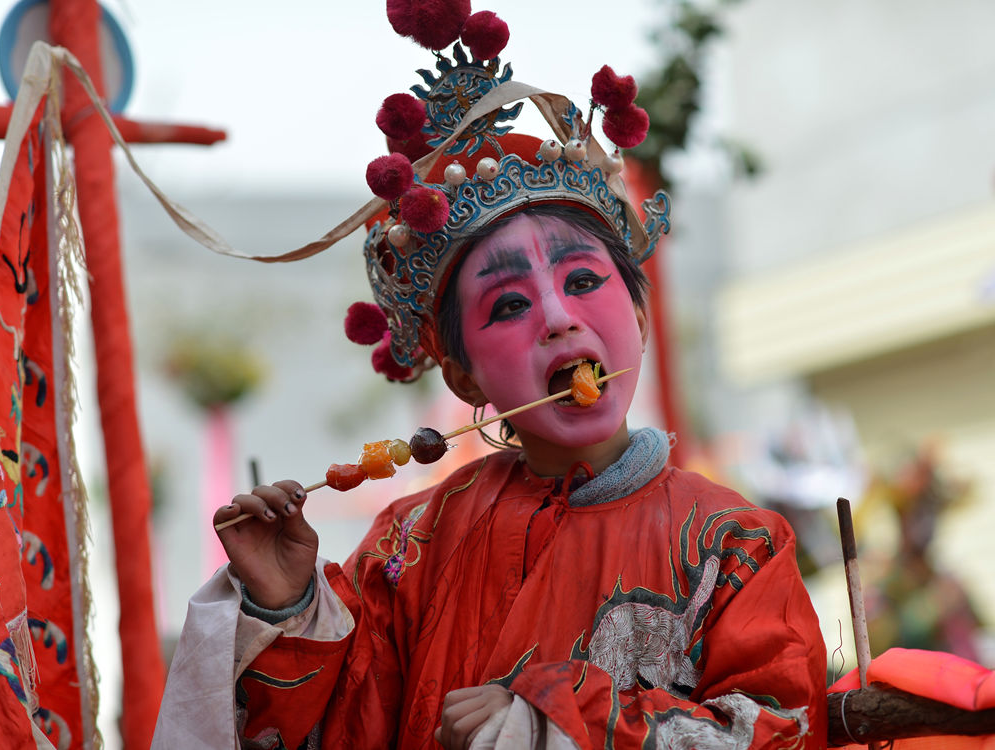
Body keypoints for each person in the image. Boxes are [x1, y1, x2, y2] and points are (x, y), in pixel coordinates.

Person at [152, 6, 827, 748]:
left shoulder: (737, 545)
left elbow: (782, 729)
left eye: (581, 280)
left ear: (636, 313)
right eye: (507, 303)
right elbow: (343, 727)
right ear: (463, 375)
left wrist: (559, 718)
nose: (557, 318)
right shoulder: (408, 546)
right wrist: (286, 610)